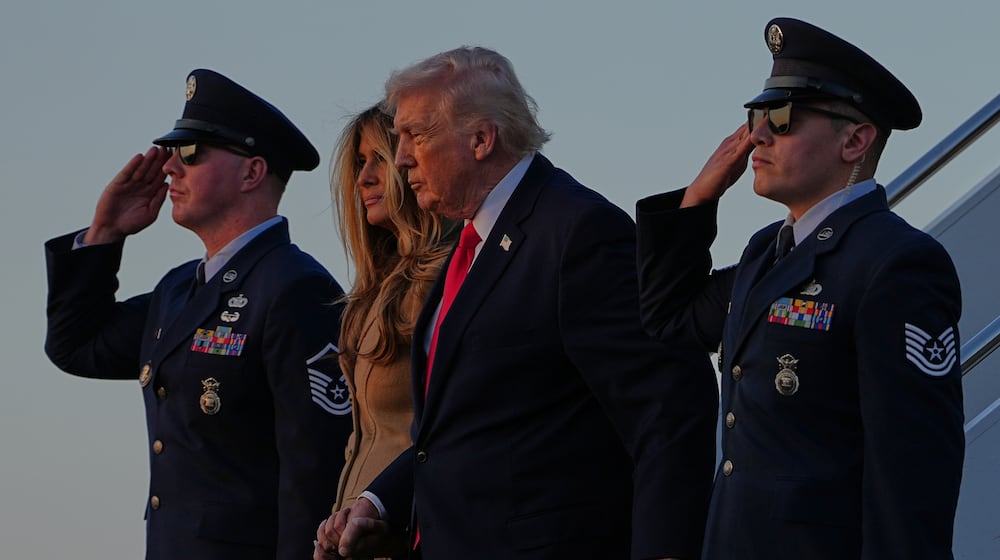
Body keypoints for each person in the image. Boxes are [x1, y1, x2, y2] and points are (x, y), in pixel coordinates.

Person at [316, 47, 718, 560]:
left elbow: (669, 409)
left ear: (481, 139)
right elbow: (457, 432)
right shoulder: (473, 243)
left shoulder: (578, 232)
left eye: (416, 135)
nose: (401, 158)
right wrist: (380, 503)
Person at [636, 18, 965, 559]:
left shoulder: (895, 263)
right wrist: (697, 200)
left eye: (782, 118)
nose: (758, 136)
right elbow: (670, 319)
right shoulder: (767, 251)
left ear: (855, 140)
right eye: (757, 116)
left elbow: (914, 470)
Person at [44, 69, 353, 560]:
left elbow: (315, 474)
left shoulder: (295, 287)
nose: (170, 168)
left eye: (190, 153)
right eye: (171, 153)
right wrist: (104, 233)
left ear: (252, 173)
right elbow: (77, 346)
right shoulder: (178, 290)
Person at [320, 105, 455, 546]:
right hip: (356, 536)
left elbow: (449, 432)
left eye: (380, 157)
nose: (364, 178)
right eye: (360, 162)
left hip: (415, 532)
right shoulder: (372, 290)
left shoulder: (445, 278)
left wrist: (383, 508)